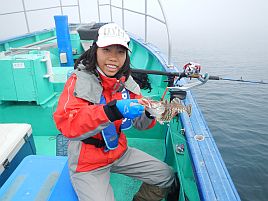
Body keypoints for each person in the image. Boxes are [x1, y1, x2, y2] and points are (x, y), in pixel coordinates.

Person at [53, 23, 175, 201]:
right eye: (107, 50)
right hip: (87, 162)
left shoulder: (127, 81)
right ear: (95, 51)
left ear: (126, 55)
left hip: (119, 151)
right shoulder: (78, 81)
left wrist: (149, 113)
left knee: (165, 175)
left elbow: (141, 125)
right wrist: (111, 111)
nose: (113, 58)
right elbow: (67, 125)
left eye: (120, 52)